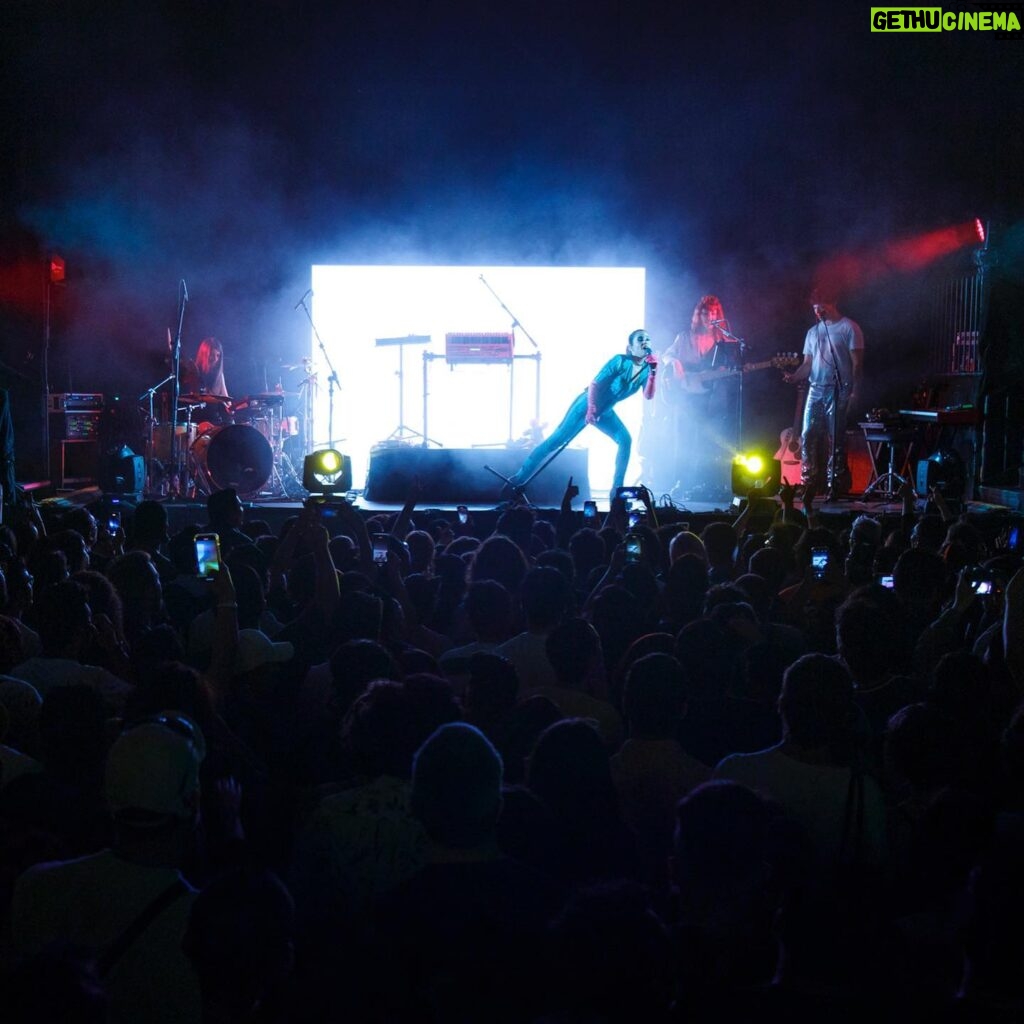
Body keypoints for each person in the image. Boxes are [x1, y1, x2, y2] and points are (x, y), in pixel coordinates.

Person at [505, 329, 657, 496]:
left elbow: (648, 395)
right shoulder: (620, 361)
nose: (645, 342)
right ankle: (518, 478)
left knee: (625, 440)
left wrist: (653, 374)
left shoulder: (647, 370)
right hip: (587, 403)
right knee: (557, 440)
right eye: (641, 339)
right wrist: (591, 407)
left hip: (606, 411)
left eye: (648, 339)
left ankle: (617, 491)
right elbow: (594, 384)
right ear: (630, 347)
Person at [644, 295, 740, 500]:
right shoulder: (684, 337)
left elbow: (730, 366)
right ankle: (683, 481)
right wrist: (676, 363)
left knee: (710, 440)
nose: (709, 317)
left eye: (713, 313)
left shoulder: (723, 340)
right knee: (686, 439)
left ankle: (708, 484)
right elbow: (667, 355)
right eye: (705, 313)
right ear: (699, 315)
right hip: (687, 397)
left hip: (712, 397)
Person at [783, 290, 864, 500]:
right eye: (815, 307)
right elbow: (807, 364)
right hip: (816, 388)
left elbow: (857, 363)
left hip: (839, 388)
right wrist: (794, 377)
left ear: (832, 303)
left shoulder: (849, 327)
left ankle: (835, 483)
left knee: (835, 437)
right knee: (808, 434)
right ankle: (808, 483)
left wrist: (853, 390)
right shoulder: (812, 332)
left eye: (821, 306)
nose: (817, 311)